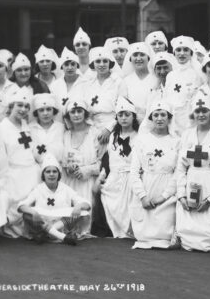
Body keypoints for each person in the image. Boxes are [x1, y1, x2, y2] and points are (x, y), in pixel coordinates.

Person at [175, 93, 210, 252]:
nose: (201, 114)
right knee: (188, 221)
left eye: (204, 111)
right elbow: (180, 167)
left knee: (209, 225)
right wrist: (181, 194)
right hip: (191, 179)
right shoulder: (187, 134)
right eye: (198, 111)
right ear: (193, 114)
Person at [129, 100, 179, 249]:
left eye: (163, 114)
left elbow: (178, 172)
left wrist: (163, 196)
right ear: (150, 118)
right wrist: (143, 196)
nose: (159, 118)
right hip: (147, 186)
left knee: (164, 234)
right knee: (144, 234)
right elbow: (134, 172)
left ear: (169, 118)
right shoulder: (142, 140)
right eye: (155, 115)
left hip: (167, 190)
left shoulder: (176, 141)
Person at [17, 154, 91, 245]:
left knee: (83, 213)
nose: (51, 174)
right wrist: (34, 213)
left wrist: (78, 206)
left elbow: (87, 204)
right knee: (27, 215)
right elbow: (21, 206)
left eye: (54, 171)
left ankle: (48, 233)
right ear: (43, 174)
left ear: (58, 174)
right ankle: (61, 237)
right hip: (43, 222)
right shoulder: (38, 189)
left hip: (62, 224)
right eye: (48, 172)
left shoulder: (65, 188)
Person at [0, 88, 41, 237]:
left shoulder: (26, 125)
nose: (23, 110)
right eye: (19, 105)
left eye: (26, 106)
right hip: (13, 172)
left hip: (30, 171)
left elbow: (32, 149)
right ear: (11, 106)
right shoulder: (2, 128)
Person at [100, 97, 139, 238]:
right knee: (109, 199)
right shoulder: (113, 137)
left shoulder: (139, 136)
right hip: (115, 177)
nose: (123, 118)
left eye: (127, 115)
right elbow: (108, 158)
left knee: (129, 207)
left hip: (130, 176)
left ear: (133, 117)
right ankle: (116, 231)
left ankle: (130, 231)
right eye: (120, 115)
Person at [61, 98, 103, 224]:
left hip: (88, 183)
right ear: (68, 115)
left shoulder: (95, 133)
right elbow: (63, 160)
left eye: (79, 111)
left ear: (85, 113)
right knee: (68, 220)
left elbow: (103, 162)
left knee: (85, 221)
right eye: (73, 112)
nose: (76, 115)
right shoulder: (66, 135)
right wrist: (69, 167)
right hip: (70, 182)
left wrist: (87, 170)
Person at [165, 35, 204, 136]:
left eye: (185, 50)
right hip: (173, 122)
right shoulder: (170, 75)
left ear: (191, 53)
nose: (182, 53)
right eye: (178, 50)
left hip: (190, 120)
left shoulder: (197, 74)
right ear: (174, 53)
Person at [82, 46, 121, 143]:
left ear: (110, 63)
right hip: (92, 127)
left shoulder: (118, 82)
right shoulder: (88, 84)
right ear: (93, 64)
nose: (102, 64)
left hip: (114, 126)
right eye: (98, 61)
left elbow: (122, 109)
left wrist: (109, 129)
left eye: (105, 61)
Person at [118, 42, 157, 122]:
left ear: (148, 58)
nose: (138, 59)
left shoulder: (156, 79)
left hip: (153, 121)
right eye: (135, 55)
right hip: (132, 123)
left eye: (142, 55)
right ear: (130, 59)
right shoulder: (126, 81)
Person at [29, 93, 65, 162]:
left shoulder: (61, 128)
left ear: (53, 110)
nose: (45, 113)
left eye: (48, 109)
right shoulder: (30, 128)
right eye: (41, 110)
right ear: (37, 112)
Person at [52, 47, 86, 119]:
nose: (70, 67)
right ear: (62, 67)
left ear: (77, 66)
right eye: (66, 64)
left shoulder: (86, 83)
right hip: (59, 122)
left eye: (73, 64)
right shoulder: (54, 85)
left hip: (78, 123)